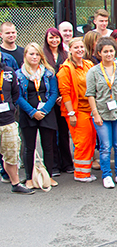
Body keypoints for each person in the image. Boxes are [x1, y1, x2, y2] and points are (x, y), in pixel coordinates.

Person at [85, 37, 117, 189]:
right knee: (105, 146)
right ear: (99, 53)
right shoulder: (93, 71)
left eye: (111, 51)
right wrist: (95, 114)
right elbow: (90, 94)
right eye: (105, 51)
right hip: (102, 114)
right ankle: (106, 175)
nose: (109, 54)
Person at [16, 43, 59, 188]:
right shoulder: (19, 74)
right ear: (25, 56)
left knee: (48, 146)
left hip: (46, 113)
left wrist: (45, 111)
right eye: (31, 54)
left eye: (37, 54)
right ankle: (29, 178)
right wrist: (32, 112)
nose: (34, 57)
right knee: (29, 147)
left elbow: (54, 93)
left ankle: (49, 176)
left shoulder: (48, 73)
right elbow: (18, 96)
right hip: (28, 115)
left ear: (41, 56)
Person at [58, 38, 97, 182]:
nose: (80, 50)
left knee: (91, 139)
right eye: (76, 47)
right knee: (82, 141)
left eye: (81, 47)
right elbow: (65, 93)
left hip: (91, 109)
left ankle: (86, 170)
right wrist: (71, 113)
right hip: (77, 110)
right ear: (70, 50)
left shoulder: (89, 64)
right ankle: (80, 174)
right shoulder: (66, 69)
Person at [0, 57, 31, 194]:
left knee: (11, 154)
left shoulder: (8, 72)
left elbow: (15, 94)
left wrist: (10, 107)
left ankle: (16, 183)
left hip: (7, 120)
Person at [44, 28, 71, 175]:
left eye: (56, 37)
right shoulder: (43, 55)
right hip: (48, 99)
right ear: (46, 39)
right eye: (51, 37)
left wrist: (63, 96)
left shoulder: (65, 55)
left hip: (63, 98)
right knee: (51, 133)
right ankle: (53, 165)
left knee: (64, 132)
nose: (54, 40)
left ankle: (67, 163)